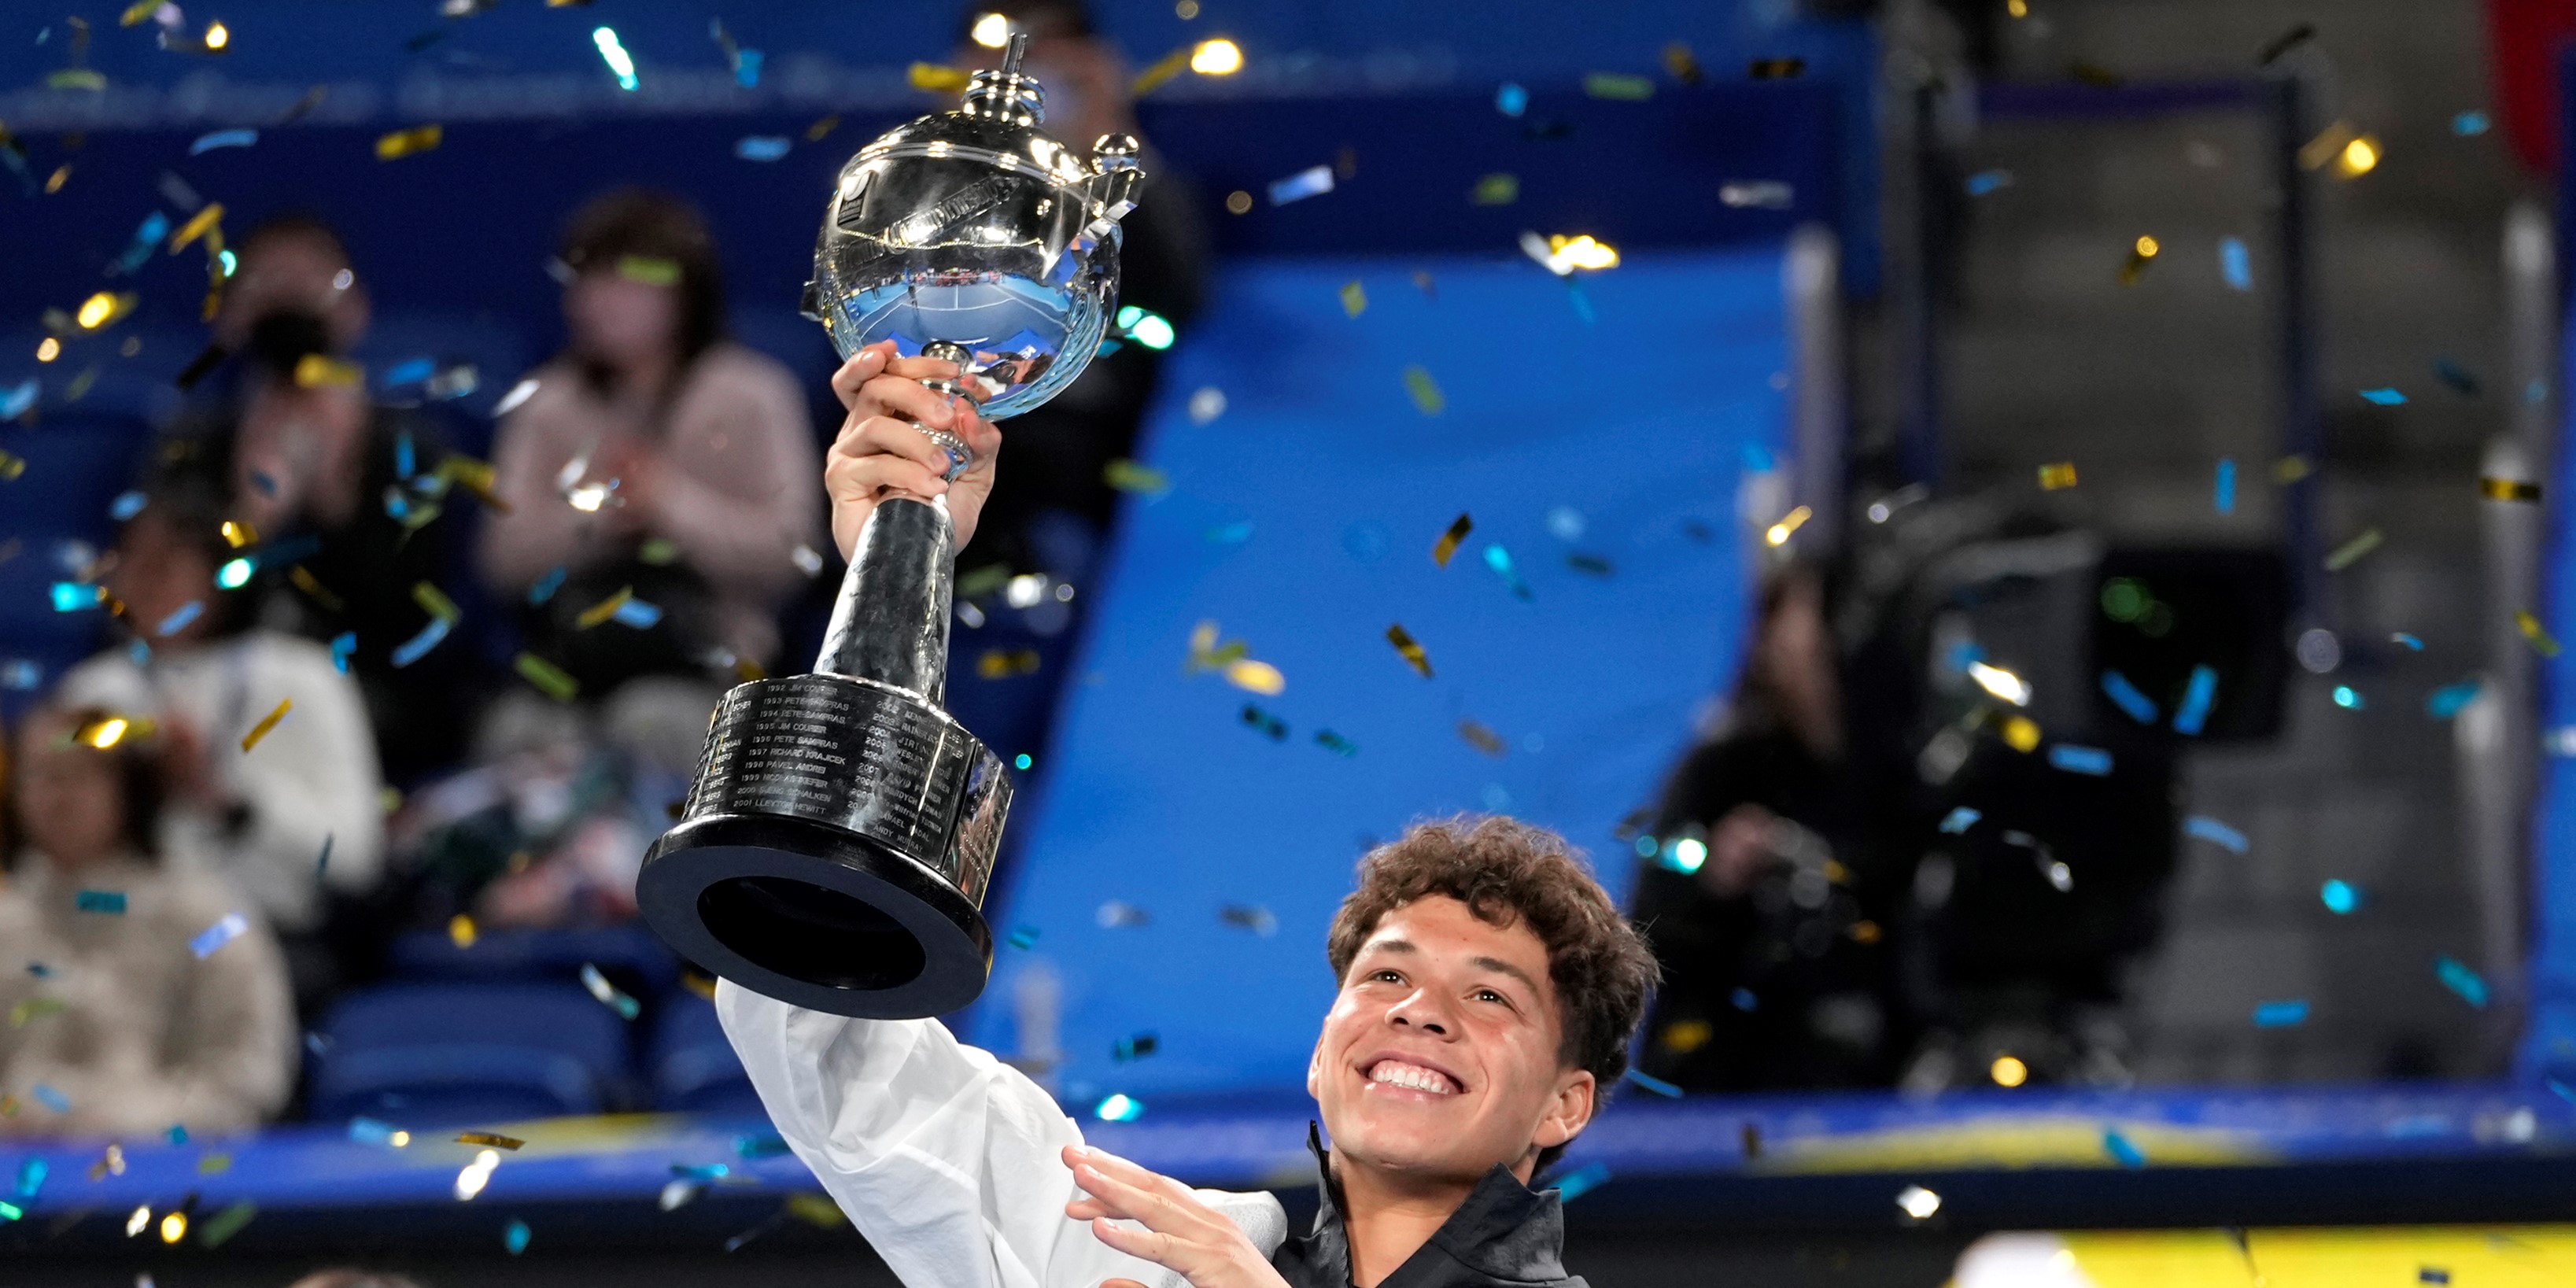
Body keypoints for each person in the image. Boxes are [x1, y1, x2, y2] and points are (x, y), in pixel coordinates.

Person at [720, 345, 1659, 1288]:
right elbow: (831, 1029)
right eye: (1385, 976)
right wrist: (898, 557)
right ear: (1324, 1051)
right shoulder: (1146, 1252)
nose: (1418, 1011)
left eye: (1490, 995)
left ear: (1565, 1103)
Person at [160, 212, 477, 782]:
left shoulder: (413, 451)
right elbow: (161, 612)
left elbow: (421, 622)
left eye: (311, 282)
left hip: (376, 697)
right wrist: (249, 524)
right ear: (230, 316)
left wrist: (339, 492)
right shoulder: (190, 450)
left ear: (357, 310)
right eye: (268, 283)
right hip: (217, 692)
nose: (290, 301)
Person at [57, 478, 387, 1012]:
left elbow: (356, 855)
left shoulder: (303, 678)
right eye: (132, 559)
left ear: (219, 572)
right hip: (124, 937)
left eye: (169, 561)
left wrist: (227, 802)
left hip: (268, 934)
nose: (146, 577)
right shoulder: (95, 693)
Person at [478, 188, 820, 692]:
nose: (601, 300)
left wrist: (668, 502)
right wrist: (599, 515)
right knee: (518, 727)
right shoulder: (546, 403)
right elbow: (500, 561)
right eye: (588, 278)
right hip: (567, 657)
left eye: (629, 280)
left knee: (654, 721)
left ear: (687, 292)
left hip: (716, 659)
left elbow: (795, 556)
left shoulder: (756, 395)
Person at [1627, 559, 1901, 1092]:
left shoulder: (1903, 779)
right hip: (1722, 1091)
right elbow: (1649, 936)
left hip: (1878, 1093)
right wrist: (1715, 881)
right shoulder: (1723, 771)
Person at [0, 703, 297, 1139]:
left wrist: (131, 1125)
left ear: (128, 785)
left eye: (77, 775)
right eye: (38, 776)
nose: (54, 797)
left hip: (166, 1163)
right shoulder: (7, 919)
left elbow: (249, 1074)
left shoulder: (206, 917)